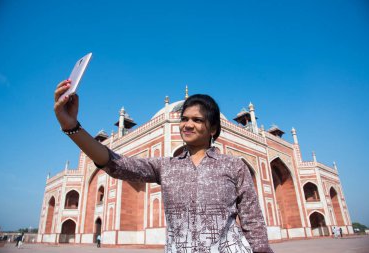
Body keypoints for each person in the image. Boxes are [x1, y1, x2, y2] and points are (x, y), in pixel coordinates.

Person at [54, 79, 274, 253]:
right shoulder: (166, 166)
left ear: (213, 128)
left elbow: (253, 222)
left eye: (197, 120)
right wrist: (71, 127)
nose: (188, 124)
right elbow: (114, 163)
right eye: (184, 119)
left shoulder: (234, 165)